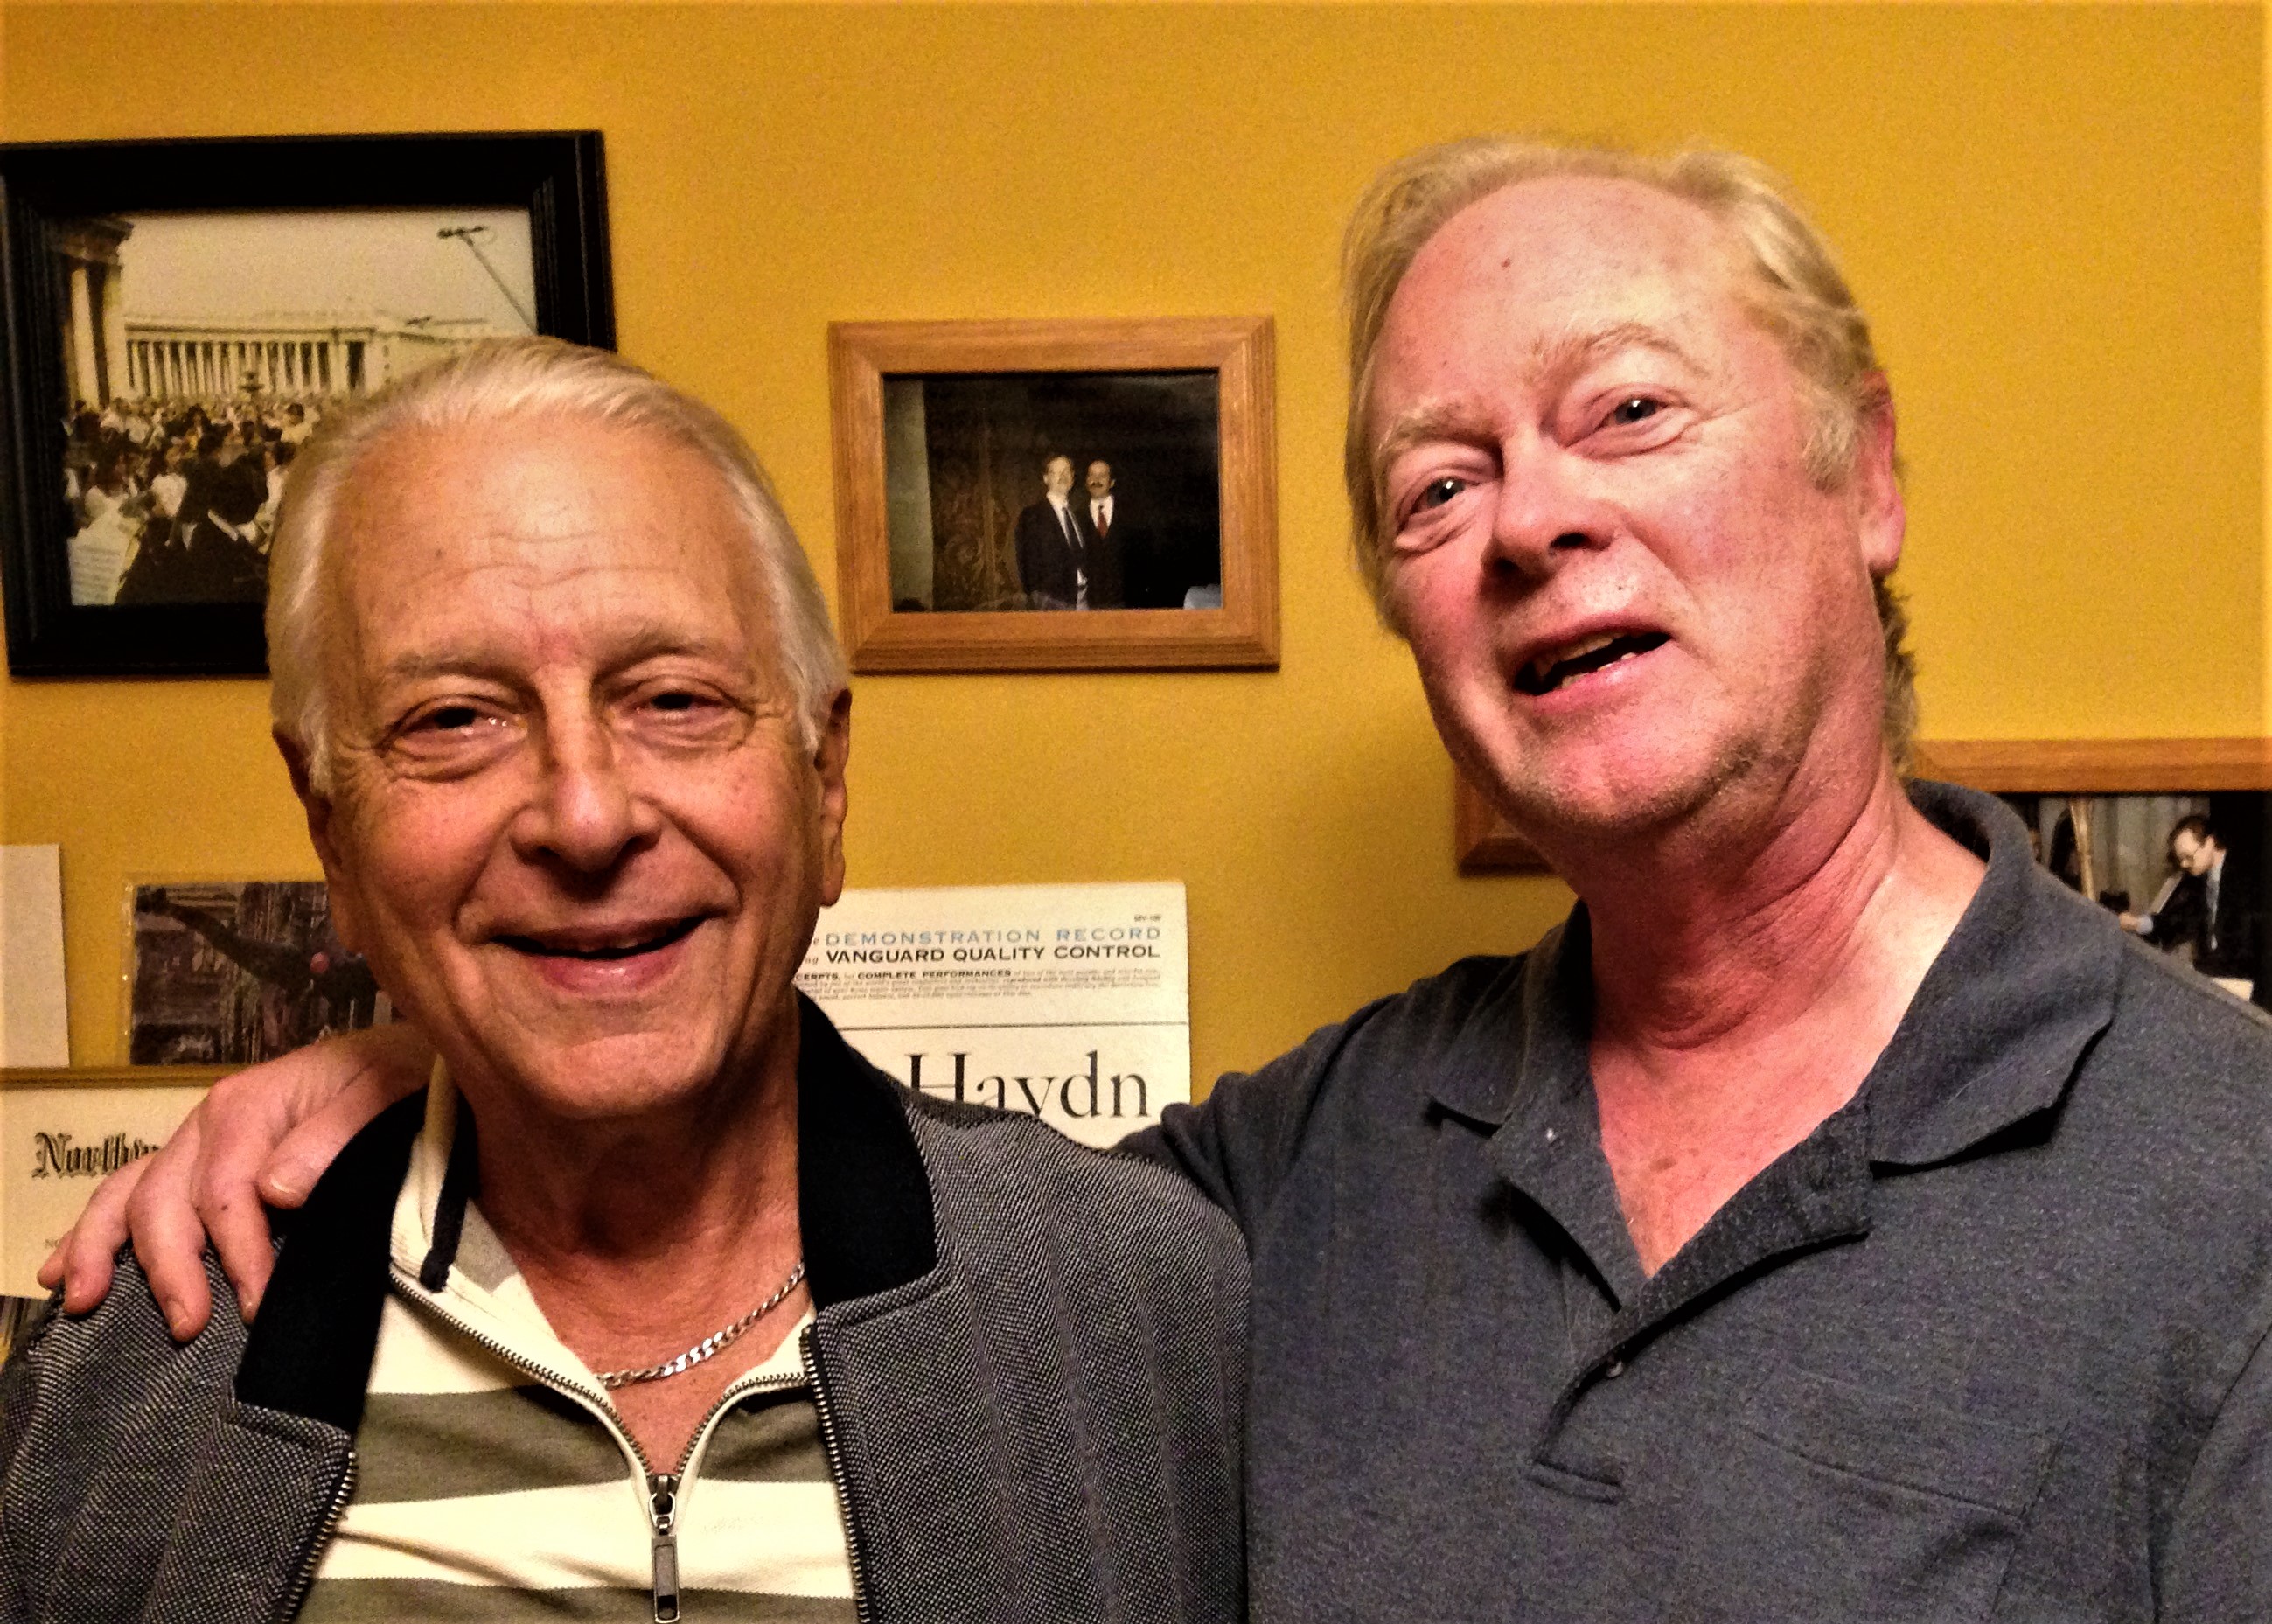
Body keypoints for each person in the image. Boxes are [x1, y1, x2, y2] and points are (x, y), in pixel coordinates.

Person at [52, 139, 2272, 1619]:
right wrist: (391, 1055)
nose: (1529, 522)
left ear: (1864, 470)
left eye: (1624, 412)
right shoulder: (1293, 1180)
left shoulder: (2228, 1177)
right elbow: (835, 1178)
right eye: (1435, 484)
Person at [3, 339, 1245, 1622]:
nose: (585, 815)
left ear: (824, 784)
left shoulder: (1141, 1311)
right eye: (454, 720)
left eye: (673, 697)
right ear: (331, 831)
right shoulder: (135, 1375)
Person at [1013, 452, 1110, 609]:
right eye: (1056, 472)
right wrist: (1041, 603)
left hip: (1083, 601)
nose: (1062, 476)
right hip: (1052, 604)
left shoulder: (1078, 516)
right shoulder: (1032, 516)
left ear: (1072, 478)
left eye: (1066, 472)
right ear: (1046, 478)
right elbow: (1027, 565)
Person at [1085, 458, 1183, 611]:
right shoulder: (1076, 517)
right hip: (1088, 607)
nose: (1096, 480)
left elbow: (1148, 557)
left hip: (1128, 605)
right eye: (1092, 475)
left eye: (1102, 475)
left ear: (1112, 482)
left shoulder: (1133, 514)